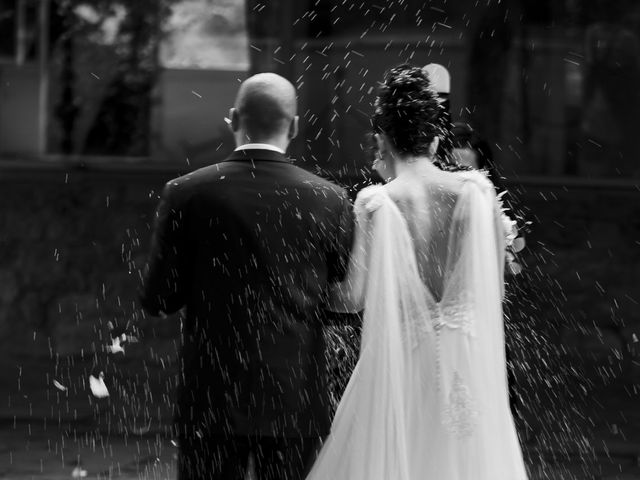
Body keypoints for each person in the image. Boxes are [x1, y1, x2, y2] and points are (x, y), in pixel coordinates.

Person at [306, 65, 528, 480]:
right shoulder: (475, 192)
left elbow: (351, 299)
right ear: (437, 139)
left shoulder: (375, 201)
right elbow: (492, 288)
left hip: (401, 362)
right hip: (467, 361)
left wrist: (308, 284)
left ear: (383, 139)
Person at [140, 72, 355, 480]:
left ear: (234, 118)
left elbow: (158, 299)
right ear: (293, 125)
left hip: (211, 398)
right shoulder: (329, 198)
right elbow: (339, 292)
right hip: (293, 398)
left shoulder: (187, 192)